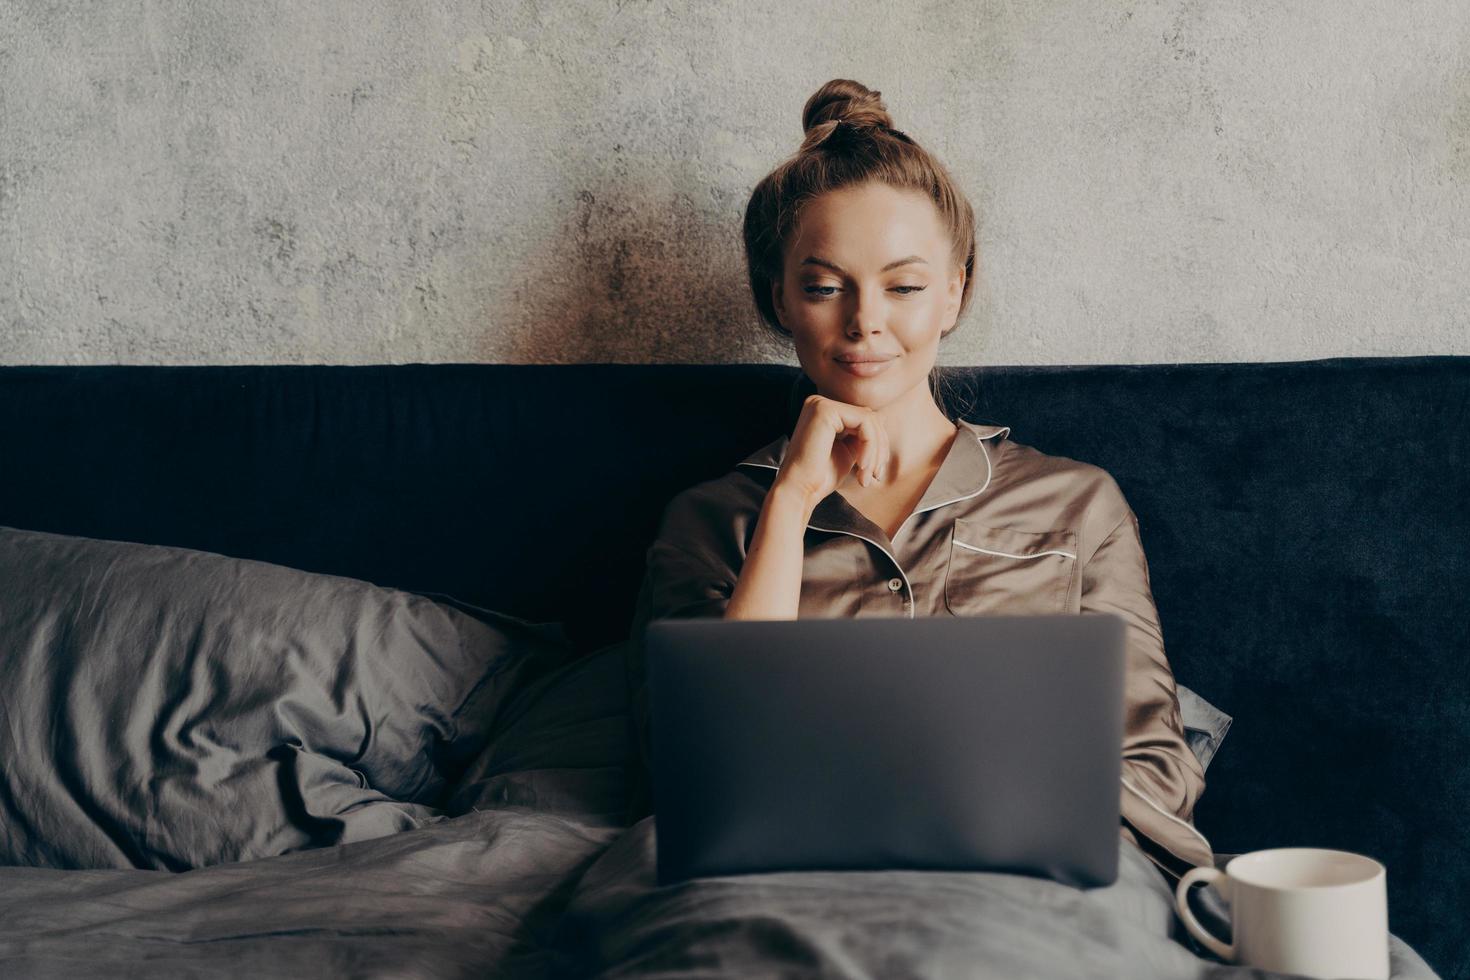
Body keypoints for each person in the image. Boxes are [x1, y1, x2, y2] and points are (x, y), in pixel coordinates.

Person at [620, 77, 1215, 886]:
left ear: (954, 294)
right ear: (780, 301)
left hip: (1025, 887)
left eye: (902, 286)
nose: (866, 321)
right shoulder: (709, 521)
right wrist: (790, 504)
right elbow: (694, 771)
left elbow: (1155, 770)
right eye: (825, 287)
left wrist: (966, 812)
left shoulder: (1078, 505)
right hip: (785, 891)